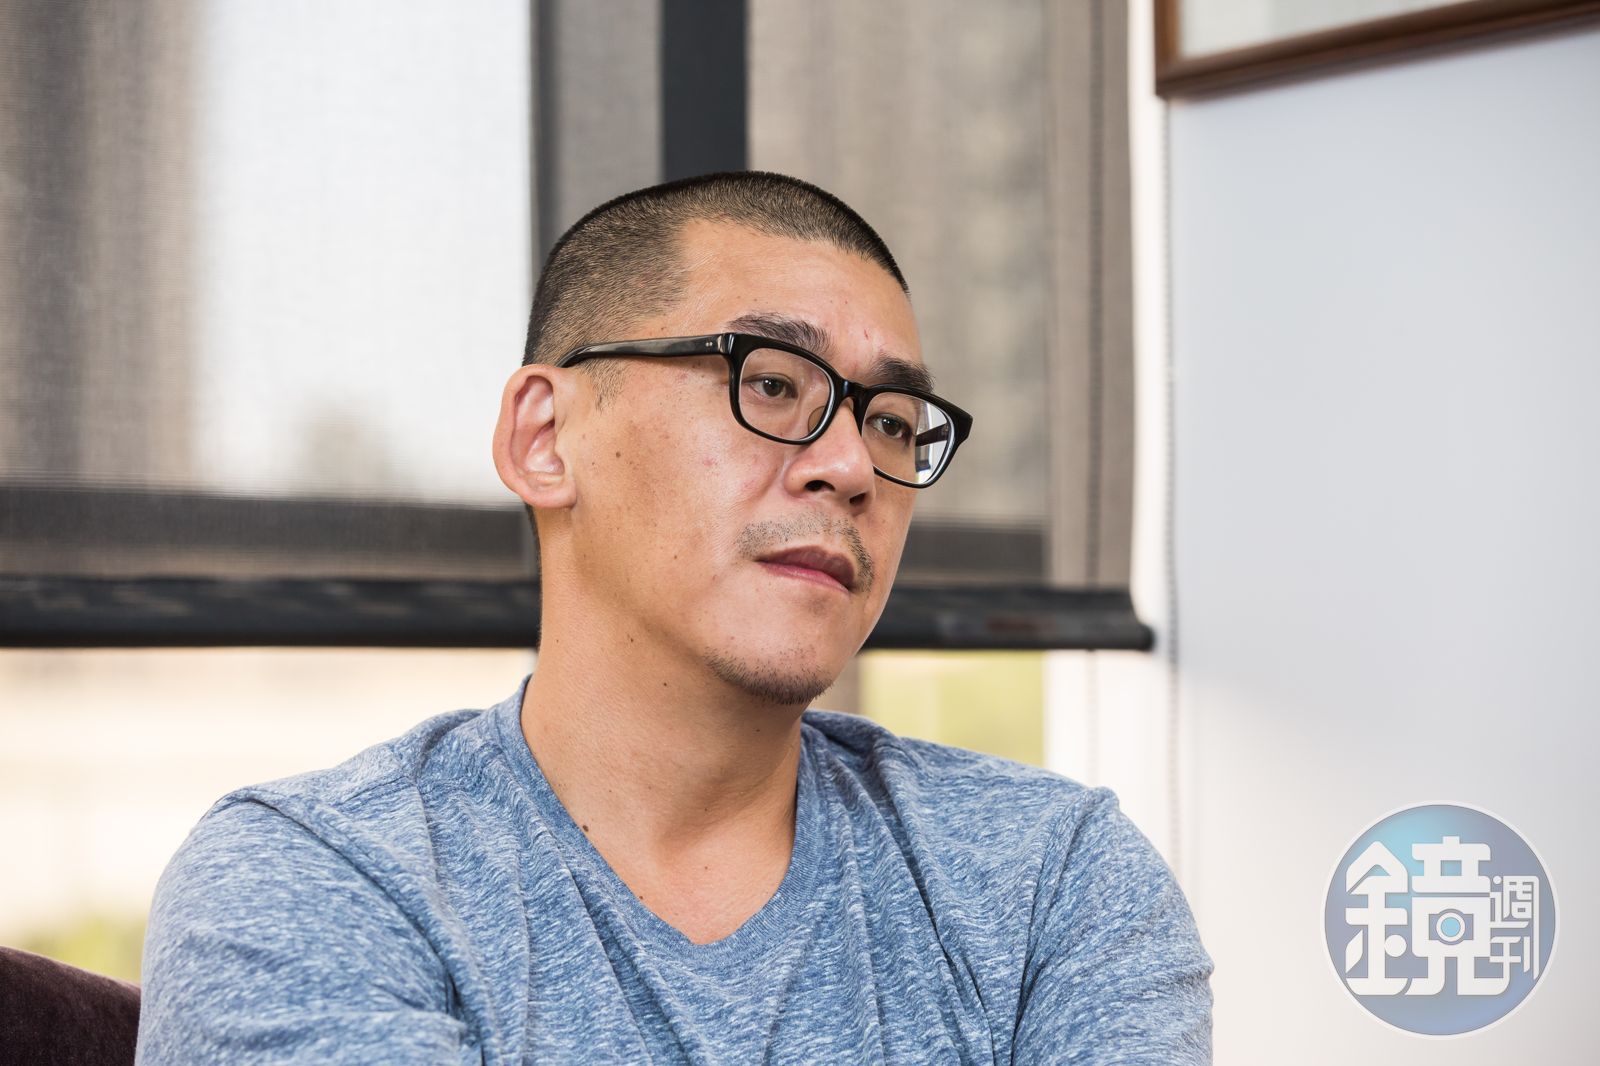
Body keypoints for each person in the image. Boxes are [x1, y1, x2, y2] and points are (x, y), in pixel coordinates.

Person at [135, 171, 1214, 1063]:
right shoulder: (315, 881)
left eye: (891, 420)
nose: (850, 466)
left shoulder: (1050, 880)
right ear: (545, 439)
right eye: (773, 383)